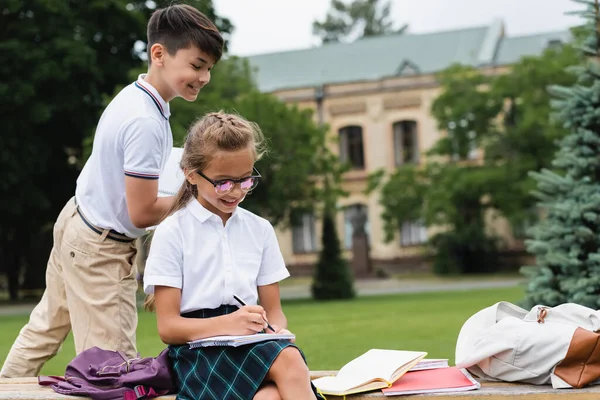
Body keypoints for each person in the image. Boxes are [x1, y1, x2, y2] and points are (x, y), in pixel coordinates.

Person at [0, 4, 224, 378]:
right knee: (113, 373)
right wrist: (198, 198)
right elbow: (141, 212)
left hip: (77, 222)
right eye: (197, 65)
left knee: (43, 332)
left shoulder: (136, 96)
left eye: (209, 69)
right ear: (159, 54)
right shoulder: (145, 120)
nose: (204, 77)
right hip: (99, 249)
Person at [143, 112, 324, 400]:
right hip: (197, 352)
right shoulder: (172, 232)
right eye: (223, 183)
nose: (236, 191)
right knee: (289, 364)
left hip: (252, 341)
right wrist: (229, 323)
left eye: (246, 180)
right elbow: (168, 328)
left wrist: (275, 330)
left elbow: (274, 311)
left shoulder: (260, 229)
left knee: (275, 387)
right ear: (191, 173)